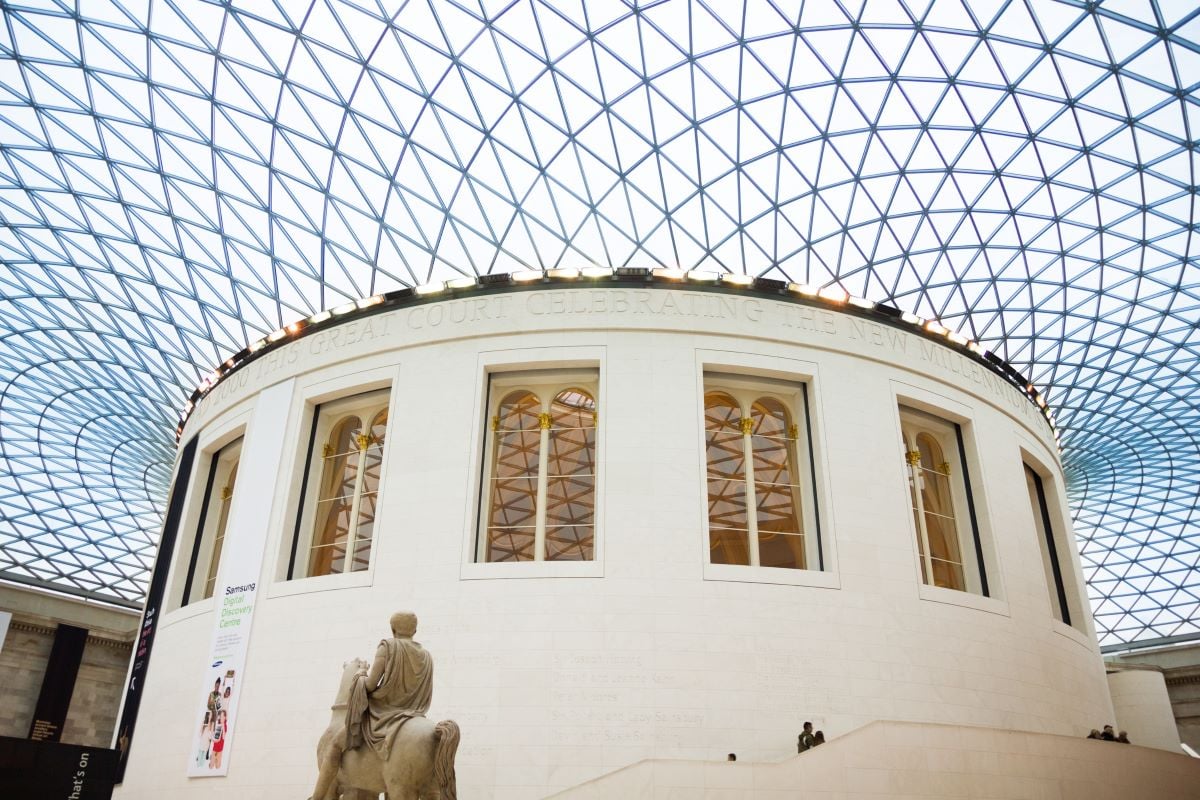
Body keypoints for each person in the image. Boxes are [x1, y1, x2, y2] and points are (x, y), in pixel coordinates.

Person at [310, 611, 434, 800]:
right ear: (415, 630)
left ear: (393, 630)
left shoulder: (388, 646)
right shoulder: (426, 656)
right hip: (414, 715)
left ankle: (317, 797)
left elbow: (370, 684)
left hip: (382, 715)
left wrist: (359, 675)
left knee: (334, 744)